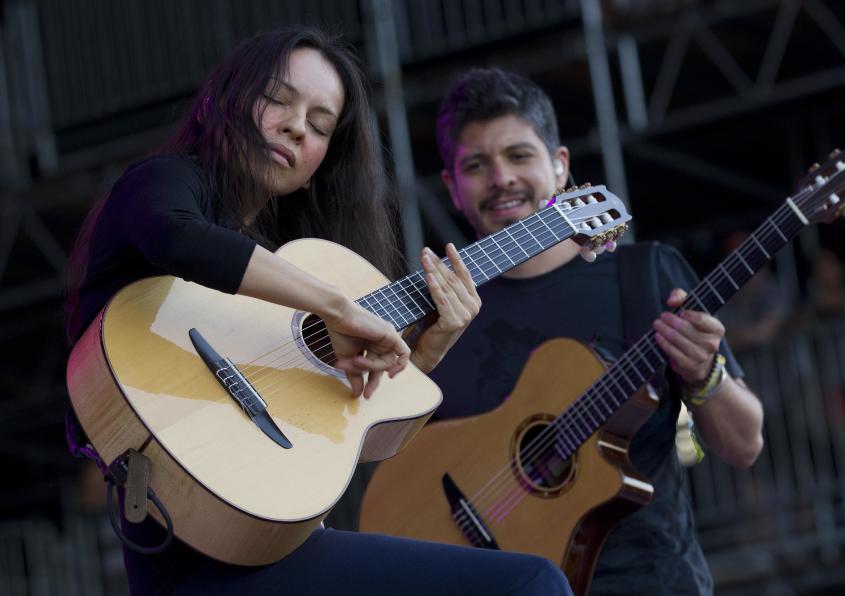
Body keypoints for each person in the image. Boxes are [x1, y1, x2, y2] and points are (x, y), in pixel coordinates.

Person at [64, 28, 572, 596]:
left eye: (321, 125)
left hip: (266, 547)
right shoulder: (163, 184)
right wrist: (340, 308)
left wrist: (425, 348)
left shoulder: (284, 280)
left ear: (322, 161)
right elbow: (175, 236)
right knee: (532, 583)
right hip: (196, 567)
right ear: (221, 100)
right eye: (278, 99)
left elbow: (342, 440)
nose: (296, 125)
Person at [428, 67, 765, 595]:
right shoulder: (440, 319)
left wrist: (706, 375)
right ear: (452, 187)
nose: (501, 179)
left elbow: (744, 445)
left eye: (519, 156)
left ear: (560, 167)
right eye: (476, 165)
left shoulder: (644, 275)